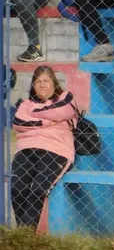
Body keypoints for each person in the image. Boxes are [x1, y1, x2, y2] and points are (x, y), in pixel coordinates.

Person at [10, 66, 79, 229]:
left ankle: (25, 237)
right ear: (32, 86)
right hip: (27, 148)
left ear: (54, 84)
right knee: (17, 190)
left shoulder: (65, 98)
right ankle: (24, 233)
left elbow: (61, 111)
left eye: (46, 80)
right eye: (37, 81)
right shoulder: (26, 104)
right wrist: (47, 122)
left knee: (38, 190)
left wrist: (34, 117)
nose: (42, 85)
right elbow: (19, 122)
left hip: (56, 150)